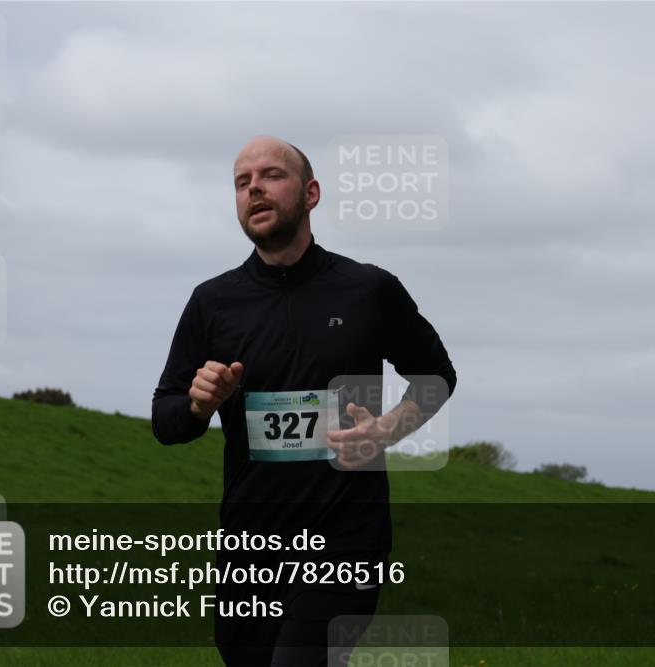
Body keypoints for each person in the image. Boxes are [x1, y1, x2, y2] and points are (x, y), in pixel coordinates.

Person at [152, 135, 456, 666]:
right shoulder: (213, 302)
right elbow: (166, 419)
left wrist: (387, 429)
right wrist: (198, 405)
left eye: (271, 175)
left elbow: (437, 376)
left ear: (311, 193)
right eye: (242, 182)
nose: (254, 189)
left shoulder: (368, 290)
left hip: (345, 537)